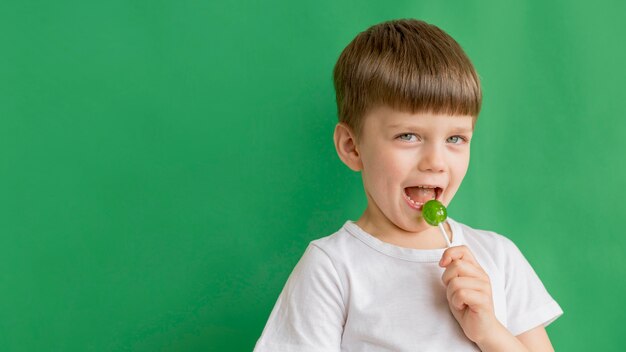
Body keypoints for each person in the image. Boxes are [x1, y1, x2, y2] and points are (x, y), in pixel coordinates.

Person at [254, 18, 563, 351]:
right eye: (408, 136)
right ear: (352, 147)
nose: (436, 161)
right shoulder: (332, 267)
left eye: (455, 138)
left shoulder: (498, 258)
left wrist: (489, 332)